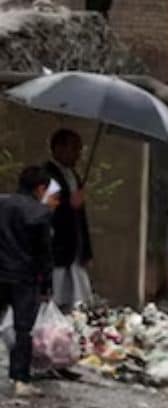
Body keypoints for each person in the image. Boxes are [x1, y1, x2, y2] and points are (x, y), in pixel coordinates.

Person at [0, 166, 58, 397]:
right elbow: (44, 254)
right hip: (24, 278)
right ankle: (20, 379)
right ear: (40, 188)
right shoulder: (40, 213)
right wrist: (46, 286)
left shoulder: (1, 203)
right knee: (23, 328)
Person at [44, 129, 93, 309]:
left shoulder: (74, 176)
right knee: (56, 296)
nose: (78, 155)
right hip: (57, 246)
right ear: (58, 148)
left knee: (77, 300)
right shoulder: (47, 175)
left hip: (74, 246)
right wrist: (67, 204)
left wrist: (87, 250)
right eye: (74, 149)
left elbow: (81, 216)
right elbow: (45, 208)